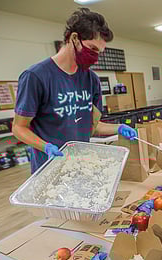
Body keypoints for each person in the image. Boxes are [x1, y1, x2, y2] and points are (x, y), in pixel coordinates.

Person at [13, 8, 137, 173]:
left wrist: (119, 128)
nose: (95, 57)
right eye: (92, 49)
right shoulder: (36, 77)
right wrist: (46, 147)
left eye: (99, 52)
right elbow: (19, 128)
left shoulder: (91, 80)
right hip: (50, 167)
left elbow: (92, 127)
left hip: (81, 165)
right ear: (74, 38)